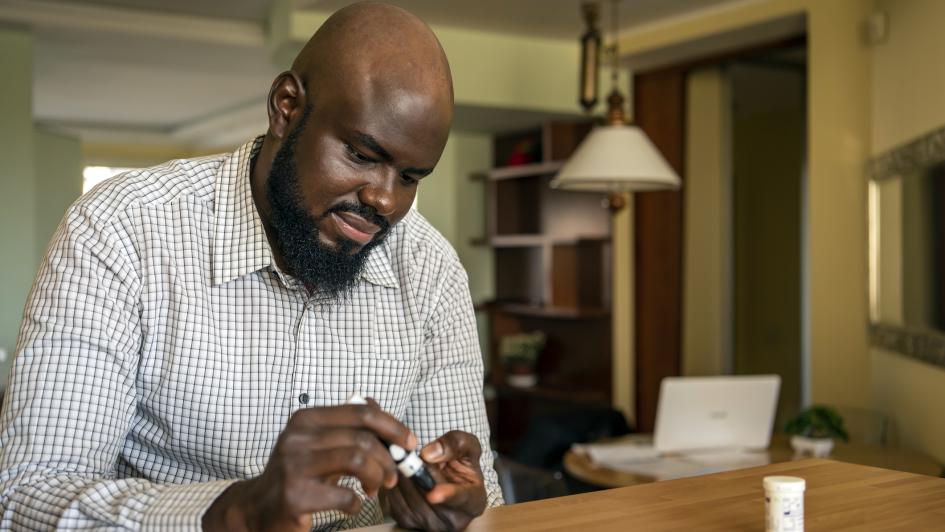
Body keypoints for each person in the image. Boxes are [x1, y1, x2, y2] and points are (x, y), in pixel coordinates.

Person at [0, 2, 503, 530]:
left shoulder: (430, 270)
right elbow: (28, 496)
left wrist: (454, 507)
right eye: (360, 154)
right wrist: (234, 512)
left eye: (410, 177)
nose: (383, 200)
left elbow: (478, 496)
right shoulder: (121, 231)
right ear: (286, 107)